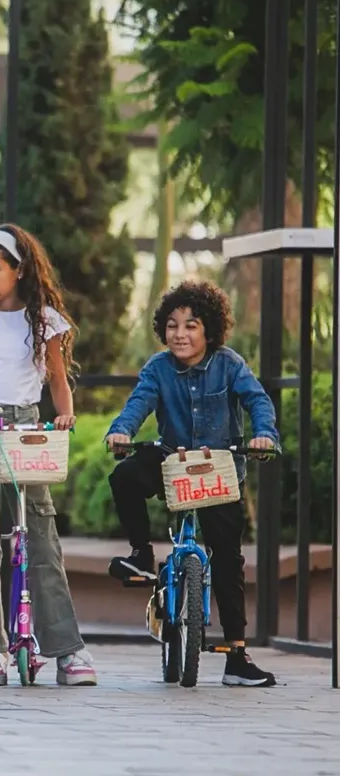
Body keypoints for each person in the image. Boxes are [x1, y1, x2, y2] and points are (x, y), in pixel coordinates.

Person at [0, 225, 98, 687]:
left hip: (26, 431)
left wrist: (65, 414)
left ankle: (66, 650)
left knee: (41, 539)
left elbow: (57, 380)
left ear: (20, 269)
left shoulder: (43, 319)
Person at [105, 279, 279, 687]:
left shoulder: (229, 364)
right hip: (173, 459)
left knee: (228, 560)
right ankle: (141, 554)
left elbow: (257, 400)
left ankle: (237, 656)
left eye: (191, 325)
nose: (179, 334)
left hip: (219, 468)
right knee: (124, 476)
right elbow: (139, 403)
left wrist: (264, 435)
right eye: (172, 325)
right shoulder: (158, 368)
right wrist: (122, 431)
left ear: (210, 330)